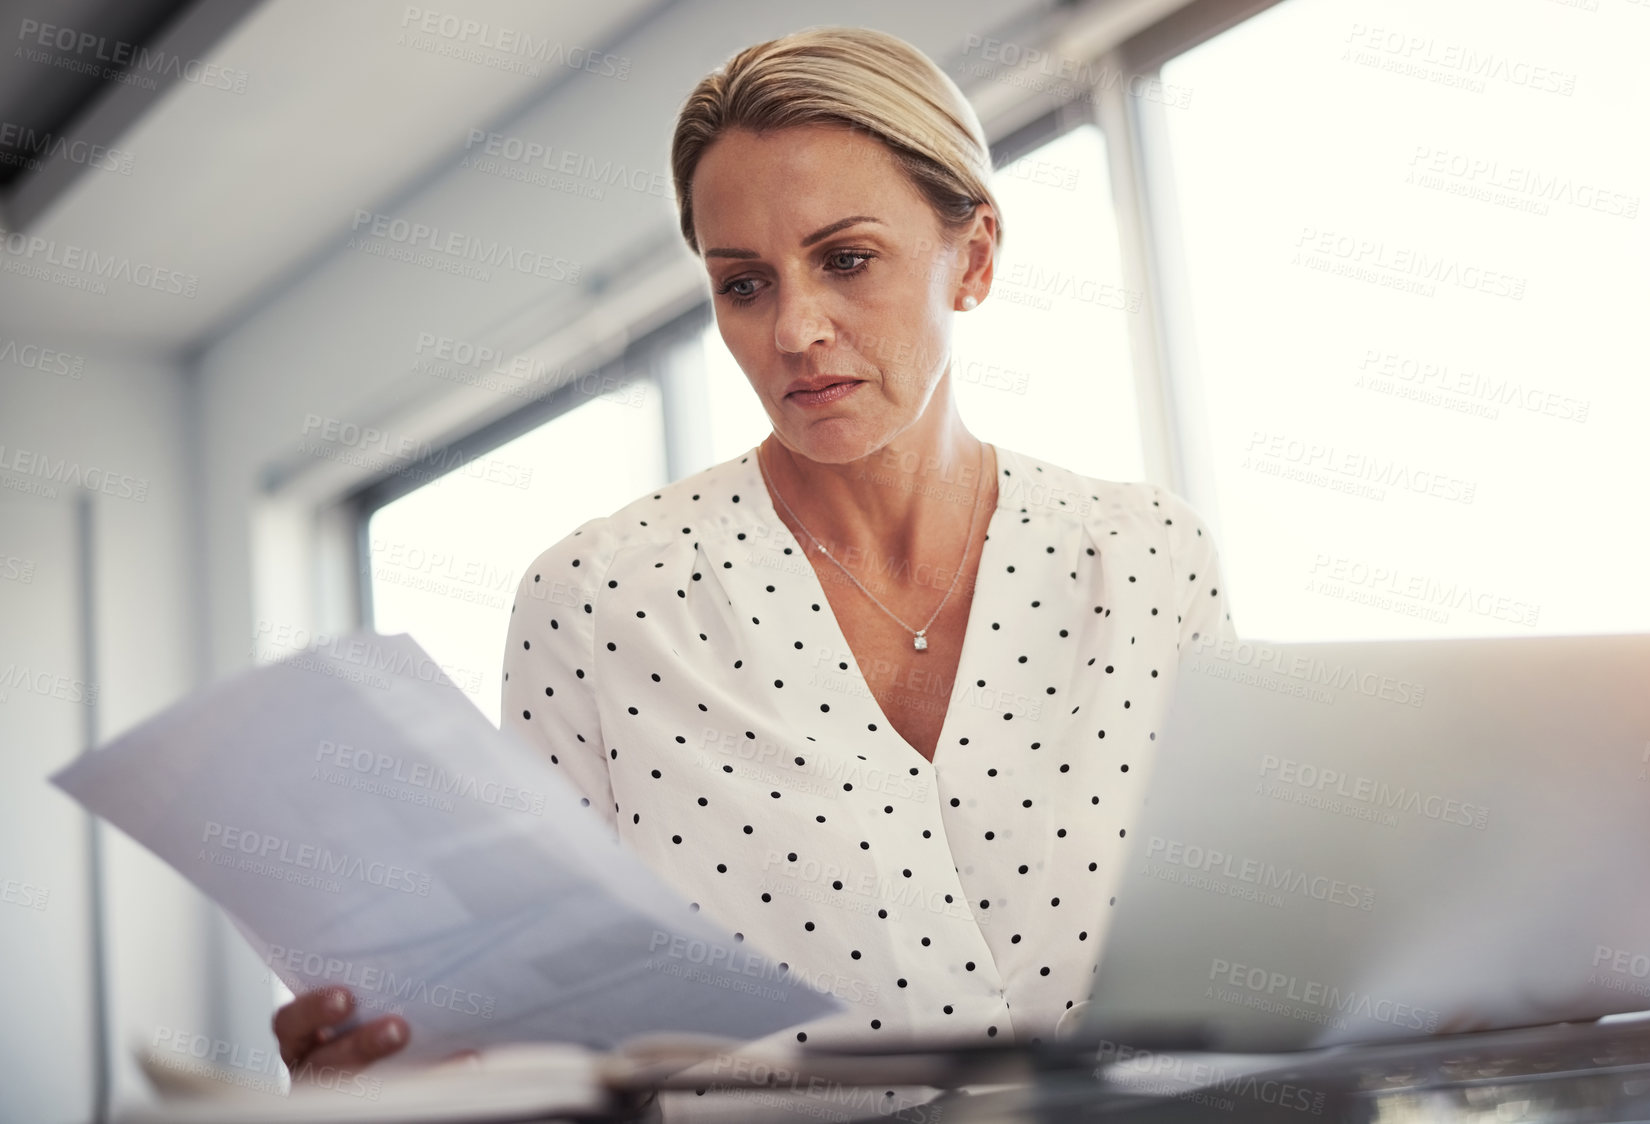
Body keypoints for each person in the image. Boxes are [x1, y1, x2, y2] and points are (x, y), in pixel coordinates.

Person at [272, 24, 1234, 1120]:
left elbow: (1256, 970)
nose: (795, 327)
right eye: (741, 283)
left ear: (970, 256)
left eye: (845, 259)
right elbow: (555, 1059)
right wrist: (385, 1089)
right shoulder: (597, 603)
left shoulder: (1149, 557)